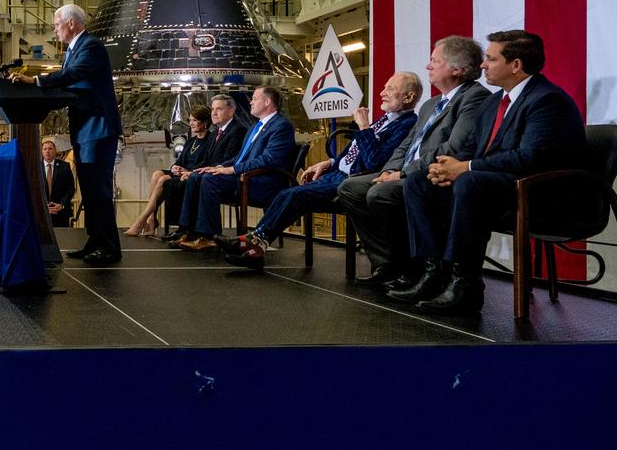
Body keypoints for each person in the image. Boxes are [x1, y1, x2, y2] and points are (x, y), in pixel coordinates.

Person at [389, 30, 586, 314]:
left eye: (490, 59)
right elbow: (470, 147)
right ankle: (433, 272)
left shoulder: (546, 100)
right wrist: (443, 168)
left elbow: (529, 158)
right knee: (420, 181)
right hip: (497, 187)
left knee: (470, 182)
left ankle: (465, 284)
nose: (482, 66)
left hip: (541, 194)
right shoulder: (494, 102)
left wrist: (466, 168)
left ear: (516, 65)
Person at [219, 73, 422, 269]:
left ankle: (254, 243)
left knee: (295, 194)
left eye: (390, 88)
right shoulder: (385, 119)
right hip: (336, 173)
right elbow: (353, 152)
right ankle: (256, 248)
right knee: (287, 194)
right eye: (384, 87)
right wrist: (329, 162)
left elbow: (374, 162)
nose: (382, 92)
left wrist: (364, 127)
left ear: (409, 97)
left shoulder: (407, 124)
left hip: (353, 180)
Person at [338, 37, 490, 287]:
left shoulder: (474, 98)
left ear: (457, 69)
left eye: (434, 61)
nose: (428, 66)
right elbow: (406, 145)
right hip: (404, 173)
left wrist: (403, 174)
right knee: (350, 188)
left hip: (432, 176)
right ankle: (386, 263)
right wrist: (389, 169)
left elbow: (453, 148)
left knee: (381, 193)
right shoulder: (431, 104)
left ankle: (414, 266)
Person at [13, 3, 123, 266]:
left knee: (98, 189)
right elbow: (71, 82)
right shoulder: (75, 50)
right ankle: (95, 240)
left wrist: (37, 81)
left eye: (56, 25)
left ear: (72, 23)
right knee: (88, 189)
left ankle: (109, 247)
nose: (54, 30)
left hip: (97, 129)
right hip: (85, 129)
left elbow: (73, 75)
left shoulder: (90, 46)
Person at [173, 86, 296, 251]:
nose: (251, 102)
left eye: (254, 98)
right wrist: (218, 167)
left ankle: (210, 237)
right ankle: (190, 231)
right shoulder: (255, 127)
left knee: (209, 181)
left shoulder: (281, 126)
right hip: (245, 177)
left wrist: (232, 170)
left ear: (267, 102)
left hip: (262, 181)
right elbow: (239, 157)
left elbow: (269, 159)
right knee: (199, 176)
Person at [160, 95, 247, 242]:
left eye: (218, 109)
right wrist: (191, 171)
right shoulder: (216, 134)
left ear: (231, 110)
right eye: (213, 109)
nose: (214, 113)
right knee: (190, 177)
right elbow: (205, 159)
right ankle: (186, 230)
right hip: (211, 173)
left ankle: (204, 234)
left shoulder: (237, 130)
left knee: (195, 178)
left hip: (228, 175)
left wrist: (197, 172)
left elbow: (230, 159)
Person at [124, 105, 210, 238]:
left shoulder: (210, 141)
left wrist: (187, 170)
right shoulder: (191, 141)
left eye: (194, 120)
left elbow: (206, 164)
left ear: (204, 122)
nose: (191, 123)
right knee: (157, 174)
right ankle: (151, 218)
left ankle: (144, 219)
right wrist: (174, 167)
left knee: (163, 179)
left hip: (191, 175)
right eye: (190, 120)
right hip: (181, 172)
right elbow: (179, 161)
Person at [40, 139, 76, 229]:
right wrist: (42, 206)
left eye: (50, 149)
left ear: (55, 151)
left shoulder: (64, 166)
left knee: (62, 240)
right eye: (45, 149)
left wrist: (62, 204)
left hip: (61, 212)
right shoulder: (36, 167)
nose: (47, 151)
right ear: (41, 152)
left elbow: (71, 189)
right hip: (42, 213)